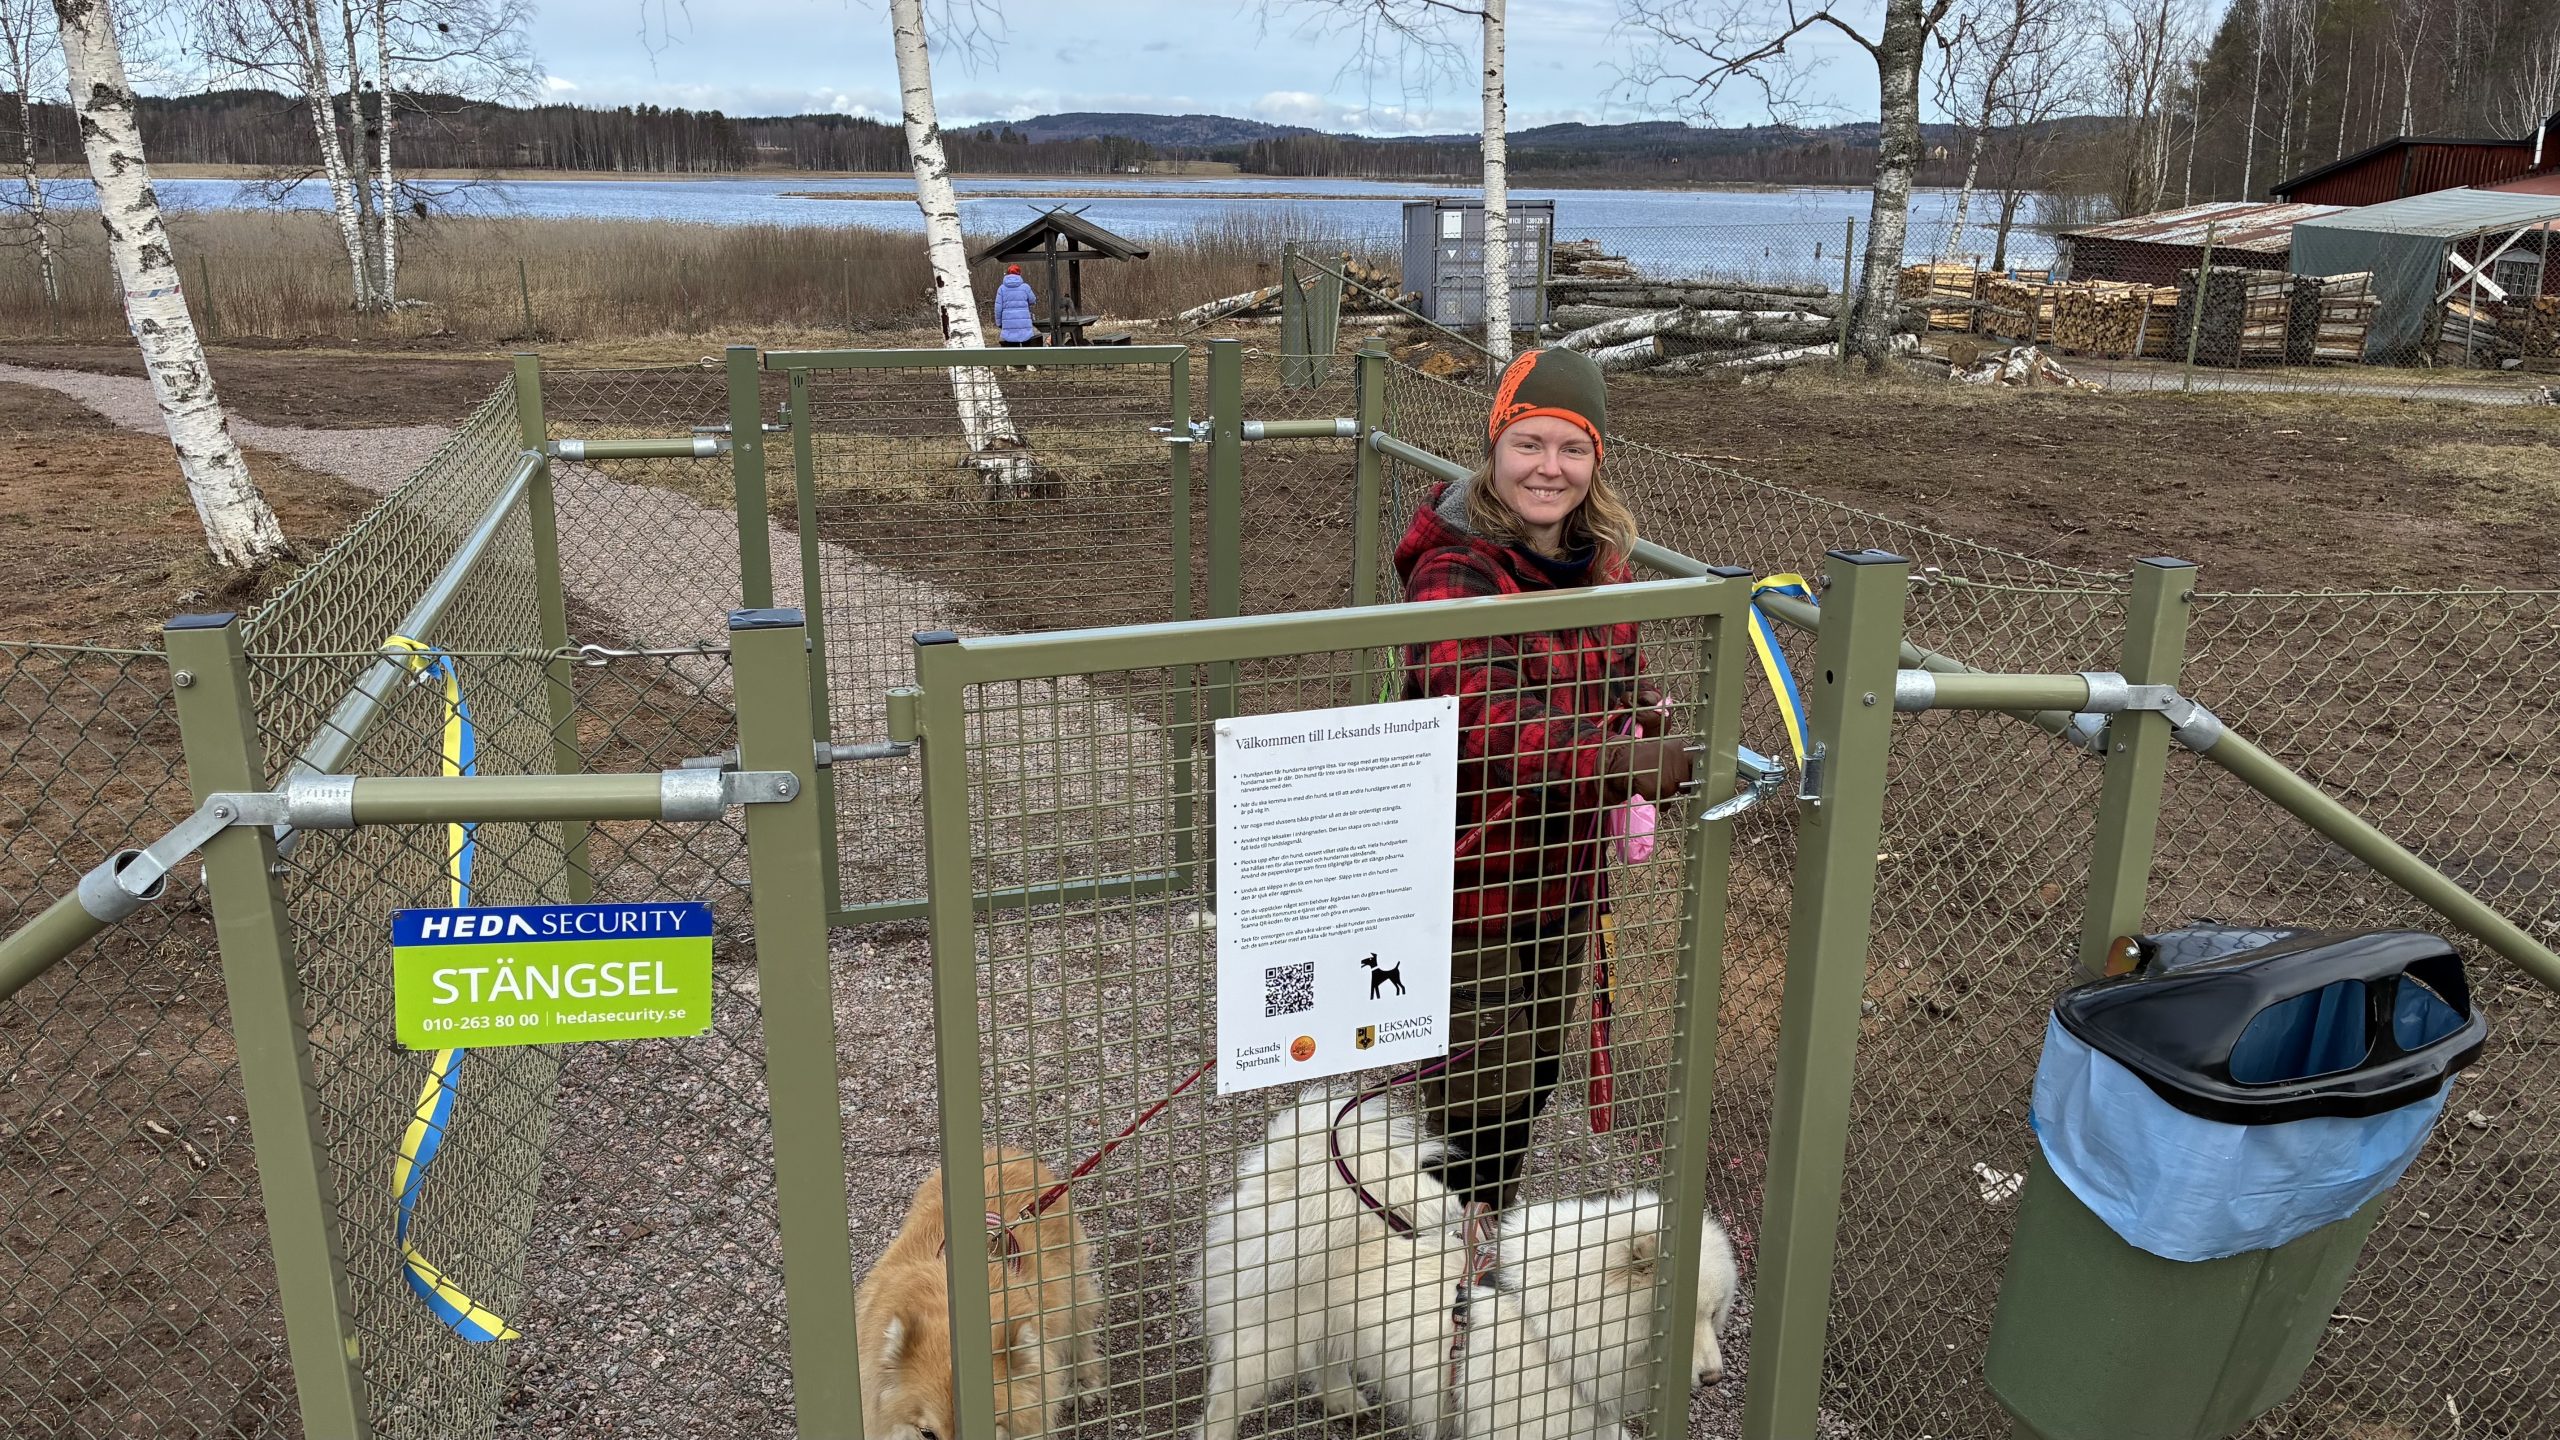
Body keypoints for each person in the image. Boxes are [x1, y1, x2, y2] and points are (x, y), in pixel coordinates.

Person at [1391, 345, 1692, 1223]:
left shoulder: (1600, 561)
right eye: (1529, 443)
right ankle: (1437, 1254)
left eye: (1572, 448)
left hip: (1564, 877)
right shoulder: (1453, 568)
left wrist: (1647, 712)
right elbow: (1483, 715)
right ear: (1494, 445)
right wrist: (1614, 762)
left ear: (1597, 459)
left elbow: (1620, 666)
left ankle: (1478, 1235)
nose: (1548, 468)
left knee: (1539, 1071)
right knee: (1480, 1087)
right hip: (1470, 880)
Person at [994, 264, 1041, 347]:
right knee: (1027, 348)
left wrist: (999, 323)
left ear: (1007, 274)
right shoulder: (1025, 287)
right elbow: (1033, 300)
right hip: (1024, 324)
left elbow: (998, 308)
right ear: (1019, 274)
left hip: (1008, 324)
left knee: (1012, 350)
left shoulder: (1001, 288)